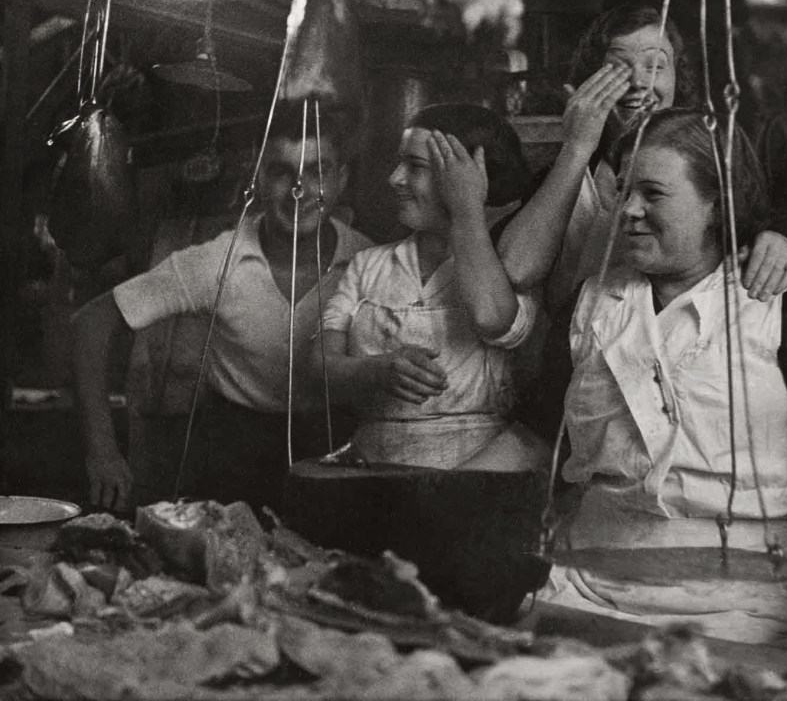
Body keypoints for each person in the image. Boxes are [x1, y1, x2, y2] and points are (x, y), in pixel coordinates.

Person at [536, 108, 787, 660]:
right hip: (585, 589)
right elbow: (543, 449)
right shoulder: (589, 306)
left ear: (718, 204)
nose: (628, 210)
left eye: (653, 193)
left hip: (745, 604)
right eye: (624, 189)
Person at [71, 103, 373, 514]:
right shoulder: (218, 261)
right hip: (234, 460)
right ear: (258, 178)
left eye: (318, 171)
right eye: (282, 172)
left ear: (341, 179)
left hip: (334, 452)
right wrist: (102, 452)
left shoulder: (367, 261)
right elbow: (90, 324)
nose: (300, 190)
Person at [497, 5, 787, 310]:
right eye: (618, 69)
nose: (639, 82)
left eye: (655, 66)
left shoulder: (715, 161)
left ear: (677, 77)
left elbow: (762, 232)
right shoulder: (568, 171)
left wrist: (777, 241)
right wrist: (576, 147)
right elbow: (517, 270)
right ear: (589, 83)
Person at [322, 103, 547, 471]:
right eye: (399, 162)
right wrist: (374, 371)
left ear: (470, 177)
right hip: (369, 466)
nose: (395, 178)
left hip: (476, 470)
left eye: (416, 167)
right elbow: (320, 367)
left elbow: (494, 319)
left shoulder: (510, 265)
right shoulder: (368, 264)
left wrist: (467, 207)